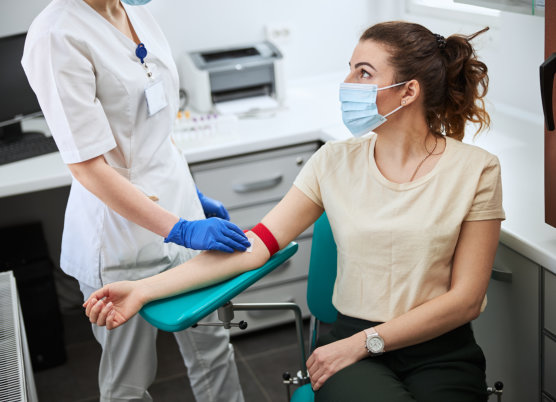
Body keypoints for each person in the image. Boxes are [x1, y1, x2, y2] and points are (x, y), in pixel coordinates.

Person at [84, 21, 505, 402]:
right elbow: (254, 247)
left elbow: (466, 300)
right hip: (353, 348)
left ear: (408, 91)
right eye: (350, 69)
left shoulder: (475, 170)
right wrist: (144, 288)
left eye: (363, 73)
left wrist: (364, 342)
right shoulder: (333, 163)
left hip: (439, 351)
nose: (346, 83)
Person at [21, 0, 251, 401]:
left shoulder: (136, 12)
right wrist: (179, 227)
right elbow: (88, 167)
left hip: (179, 212)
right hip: (118, 239)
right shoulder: (56, 34)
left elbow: (154, 120)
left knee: (214, 350)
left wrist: (189, 195)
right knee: (129, 380)